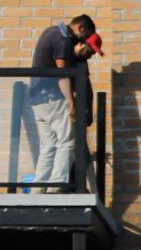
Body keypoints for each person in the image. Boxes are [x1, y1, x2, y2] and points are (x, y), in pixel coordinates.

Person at [29, 14, 100, 189]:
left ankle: (38, 189)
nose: (90, 55)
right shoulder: (64, 40)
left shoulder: (51, 32)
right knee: (68, 143)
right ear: (81, 29)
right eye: (85, 37)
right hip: (53, 97)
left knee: (48, 146)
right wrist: (72, 103)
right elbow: (62, 74)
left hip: (38, 99)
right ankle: (55, 188)